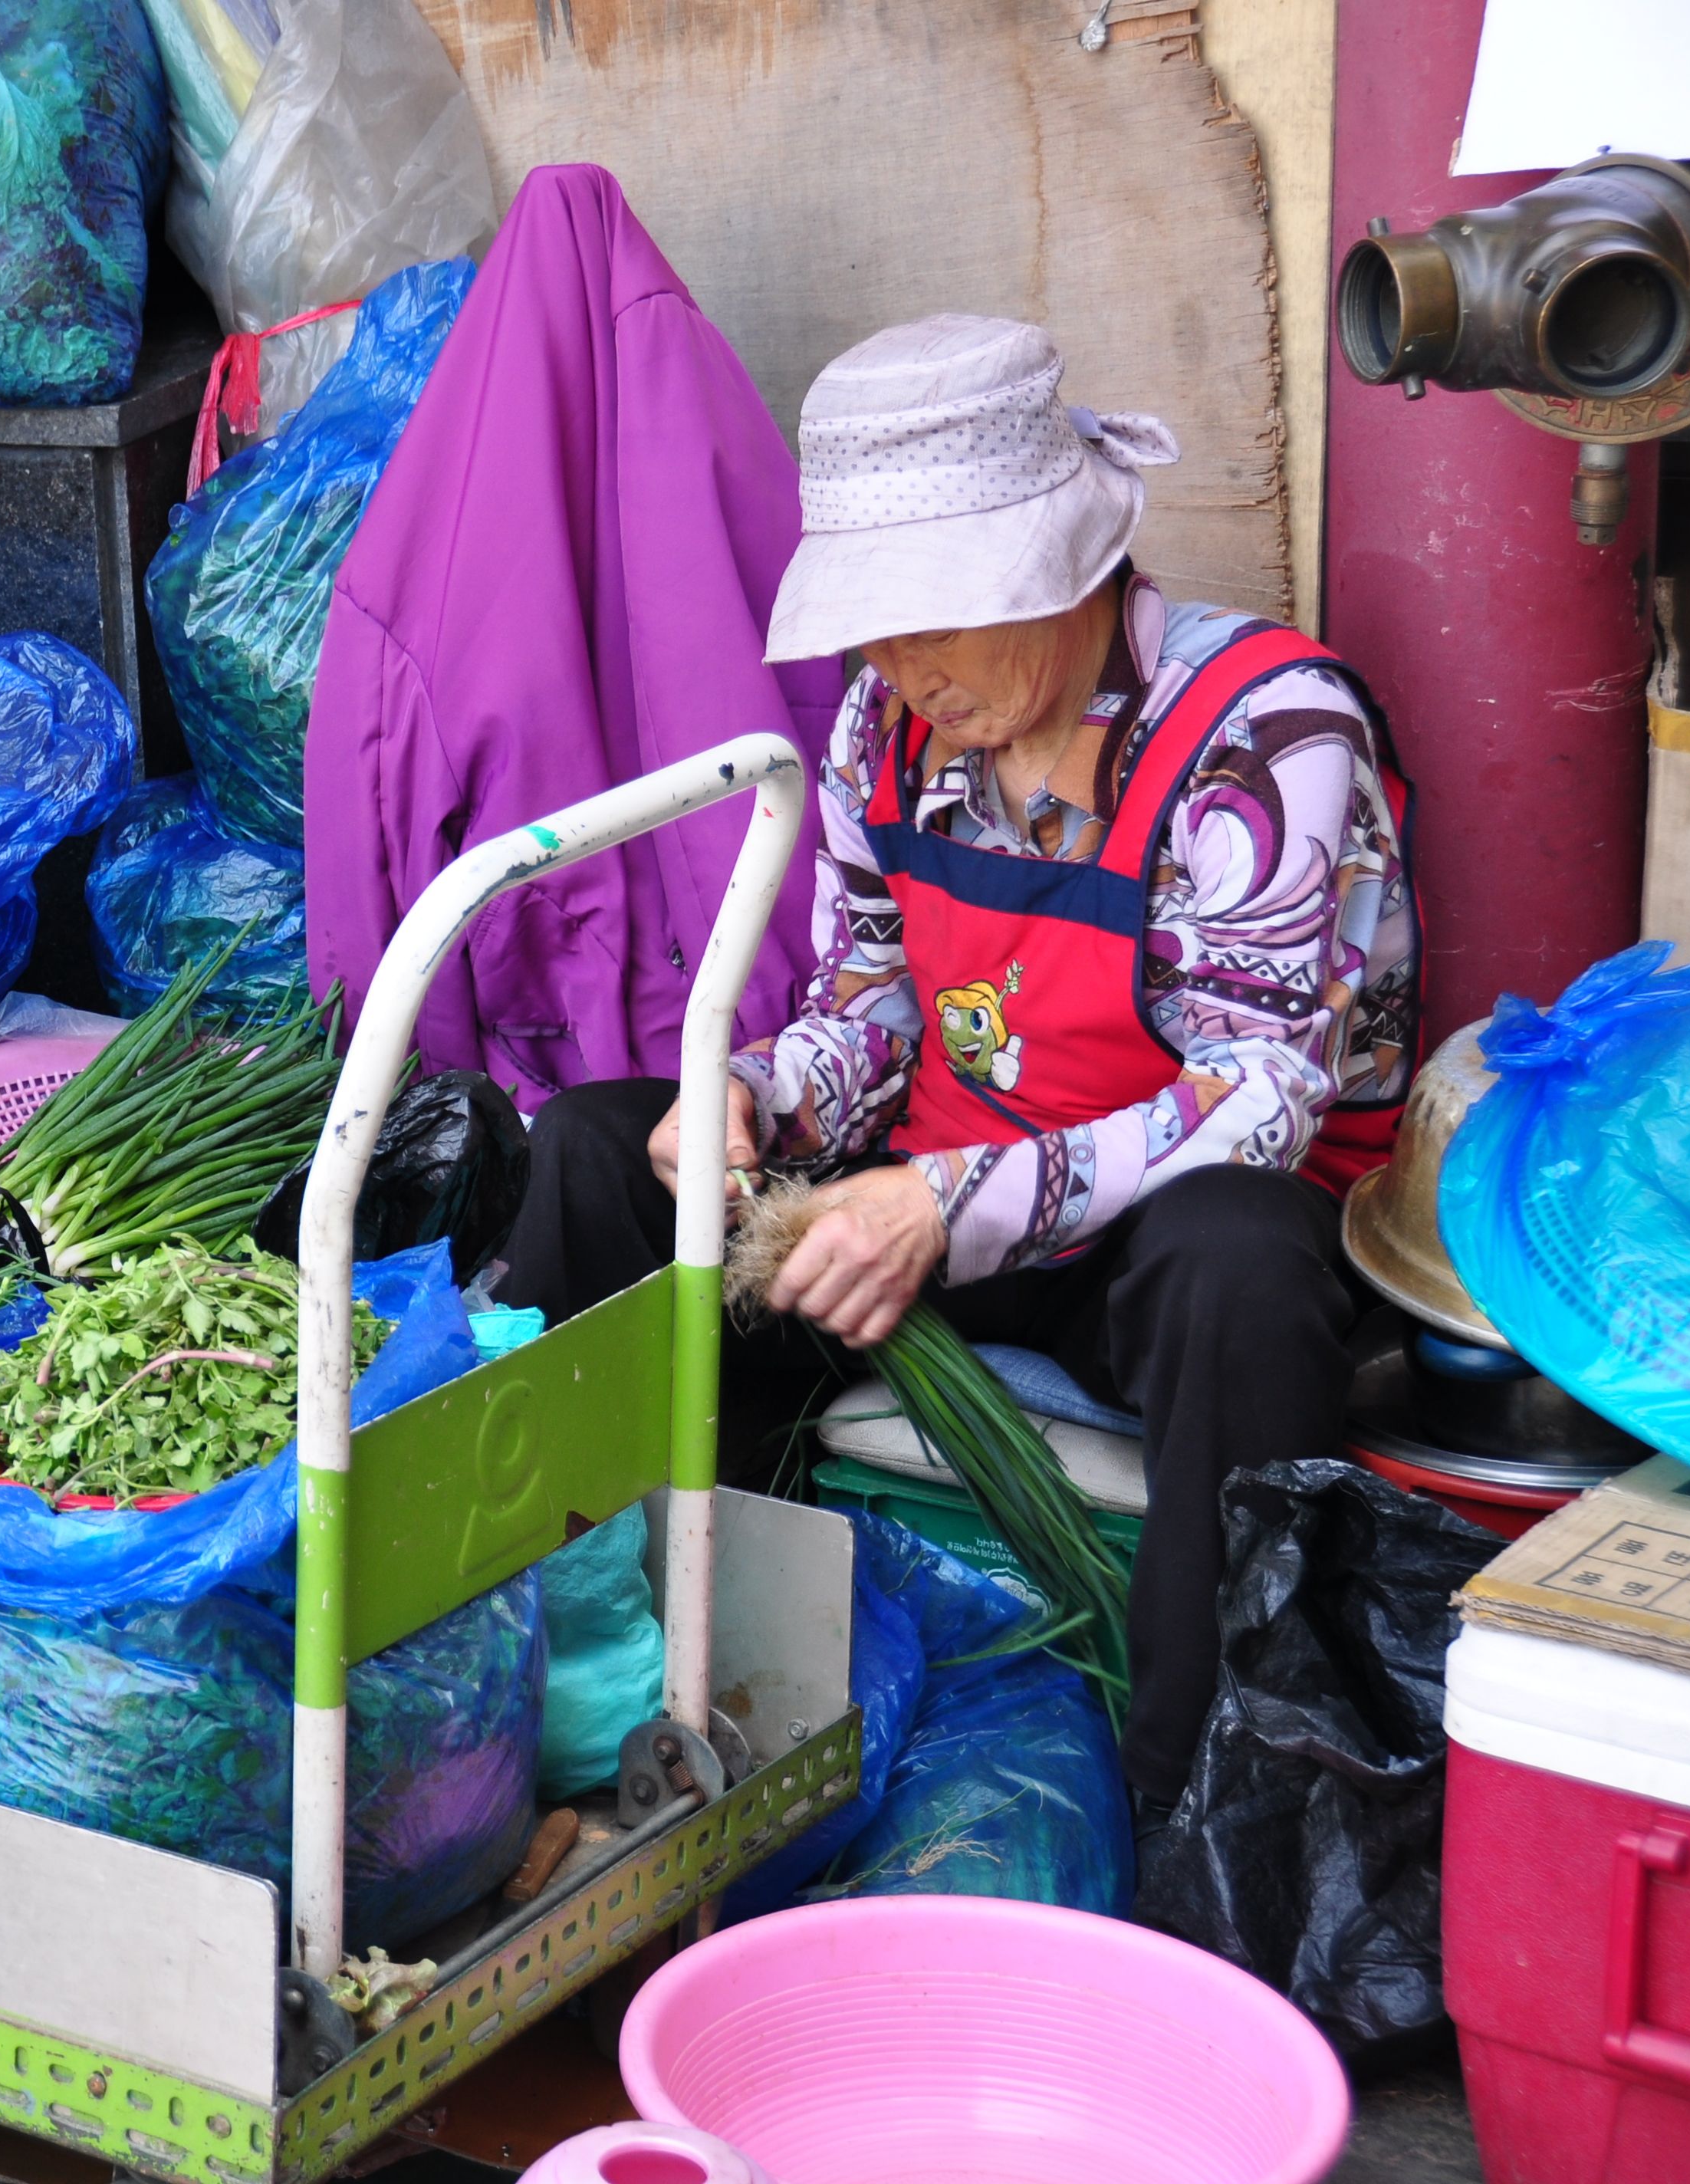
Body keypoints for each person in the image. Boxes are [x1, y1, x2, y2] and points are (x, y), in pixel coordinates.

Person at [494, 315, 1419, 1817]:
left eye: (938, 613)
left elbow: (1255, 1094)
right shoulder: (887, 726)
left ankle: (1187, 1823)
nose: (898, 662)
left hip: (1160, 1241)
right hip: (937, 1190)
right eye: (878, 624)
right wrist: (754, 1092)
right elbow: (872, 1010)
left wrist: (941, 1197)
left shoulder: (1262, 735)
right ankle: (581, 1700)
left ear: (1064, 567)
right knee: (603, 1152)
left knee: (1234, 1260)